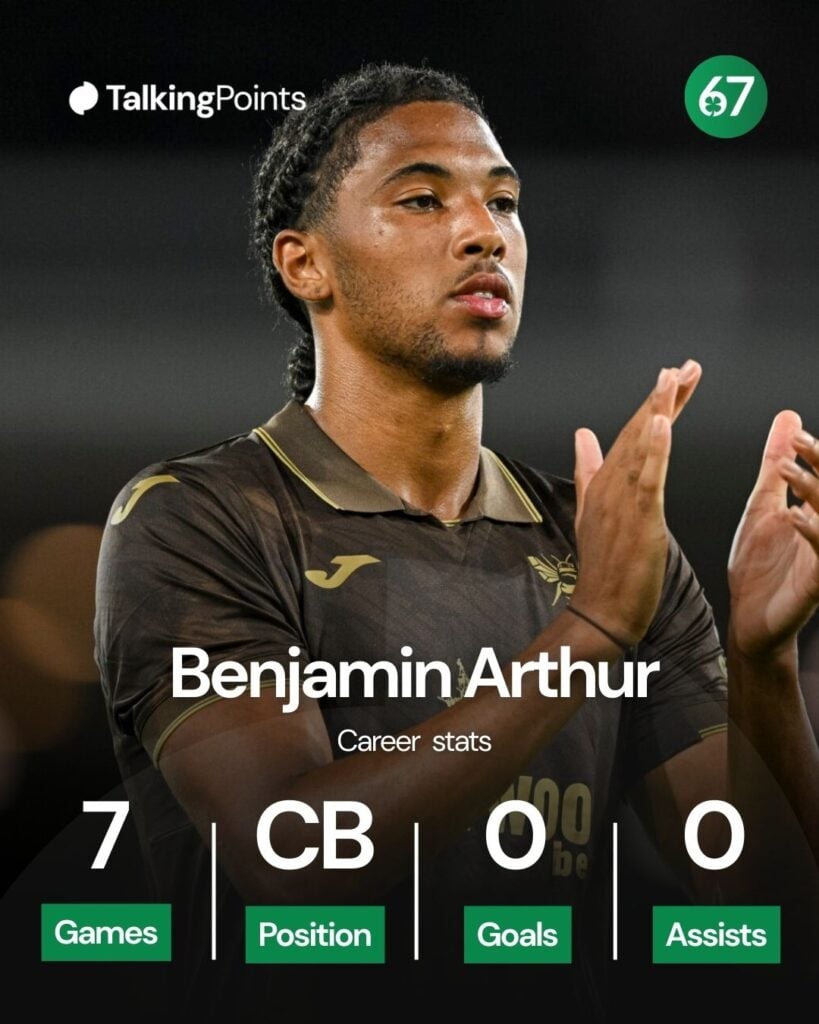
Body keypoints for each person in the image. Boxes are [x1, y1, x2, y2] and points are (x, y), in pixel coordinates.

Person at [94, 63, 819, 1018]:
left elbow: (757, 902)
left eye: (504, 201)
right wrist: (590, 631)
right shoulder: (199, 518)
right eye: (425, 198)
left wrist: (762, 657)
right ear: (305, 263)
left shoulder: (595, 539)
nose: (485, 232)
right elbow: (298, 866)